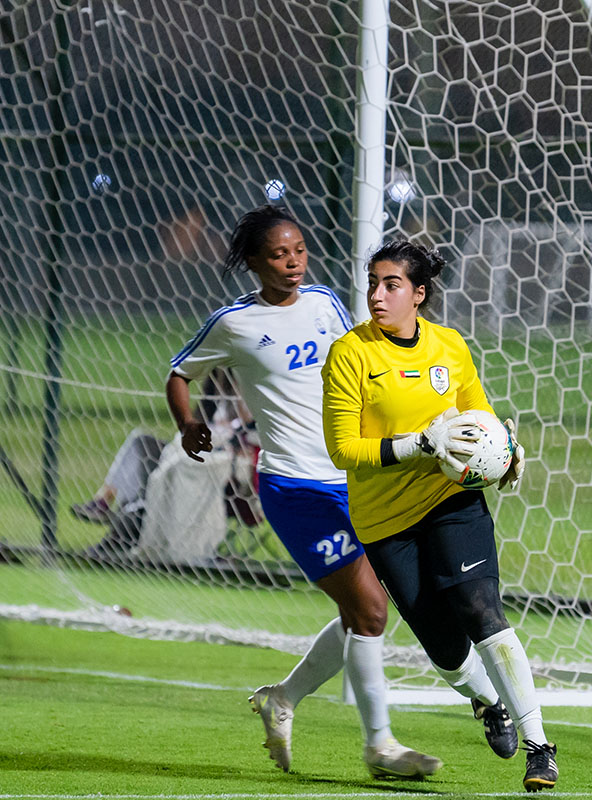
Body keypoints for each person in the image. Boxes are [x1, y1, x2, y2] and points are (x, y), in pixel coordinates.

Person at [165, 205, 441, 779]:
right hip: (293, 488)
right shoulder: (234, 323)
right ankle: (380, 746)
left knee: (362, 609)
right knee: (370, 609)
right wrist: (188, 423)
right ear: (253, 262)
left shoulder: (324, 304)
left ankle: (283, 698)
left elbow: (364, 364)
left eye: (299, 250)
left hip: (353, 478)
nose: (293, 262)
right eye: (278, 254)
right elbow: (180, 372)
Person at [321, 239, 558, 792]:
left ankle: (540, 747)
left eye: (392, 285)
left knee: (481, 610)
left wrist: (507, 454)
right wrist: (417, 444)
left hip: (448, 499)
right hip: (385, 520)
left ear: (419, 294)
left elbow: (480, 416)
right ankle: (489, 701)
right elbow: (342, 450)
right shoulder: (350, 354)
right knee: (445, 649)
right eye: (373, 284)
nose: (377, 295)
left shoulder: (449, 346)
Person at [71, 371, 261, 563]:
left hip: (228, 465)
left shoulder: (257, 387)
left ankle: (128, 527)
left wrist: (241, 387)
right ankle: (105, 502)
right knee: (143, 443)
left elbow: (250, 429)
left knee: (179, 466)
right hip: (197, 451)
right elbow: (197, 422)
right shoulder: (217, 387)